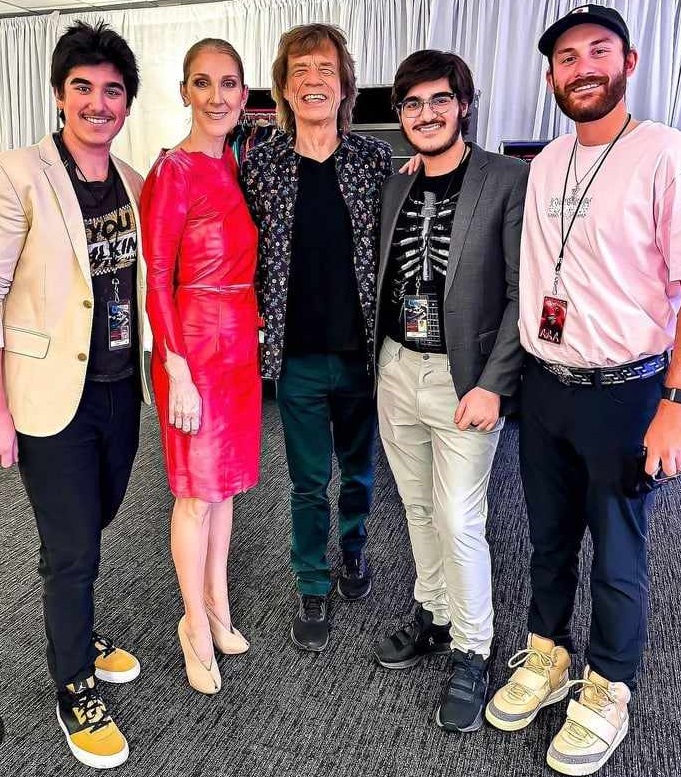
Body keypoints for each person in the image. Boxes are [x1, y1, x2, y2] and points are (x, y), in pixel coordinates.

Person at [485, 6, 681, 774]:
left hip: (626, 393)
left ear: (628, 62)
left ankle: (608, 684)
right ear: (550, 76)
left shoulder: (671, 156)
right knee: (547, 537)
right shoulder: (547, 161)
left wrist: (677, 405)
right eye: (565, 57)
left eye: (597, 51)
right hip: (545, 385)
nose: (581, 66)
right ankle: (548, 654)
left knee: (617, 548)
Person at [0, 21, 148, 769]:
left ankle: (75, 627)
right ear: (59, 95)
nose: (97, 102)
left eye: (112, 90)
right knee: (71, 547)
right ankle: (74, 685)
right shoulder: (18, 172)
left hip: (121, 387)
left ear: (127, 102)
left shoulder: (134, 182)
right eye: (82, 87)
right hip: (50, 391)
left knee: (98, 518)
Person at [370, 50, 527, 733]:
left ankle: (473, 646)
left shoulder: (507, 178)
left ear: (464, 105)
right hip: (396, 366)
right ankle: (433, 613)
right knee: (414, 505)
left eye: (440, 100)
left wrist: (495, 384)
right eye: (412, 103)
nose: (426, 114)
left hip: (465, 379)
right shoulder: (396, 184)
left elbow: (523, 292)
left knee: (460, 518)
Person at [244, 23, 392, 652]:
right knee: (307, 481)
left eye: (325, 70)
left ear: (344, 87)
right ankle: (311, 580)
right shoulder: (262, 167)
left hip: (361, 355)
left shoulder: (373, 161)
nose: (312, 81)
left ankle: (354, 549)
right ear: (284, 88)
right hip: (297, 357)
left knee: (358, 472)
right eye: (299, 71)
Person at [140, 39, 260, 694]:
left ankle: (217, 606)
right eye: (203, 82)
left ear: (244, 93)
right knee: (194, 494)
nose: (217, 96)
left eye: (229, 83)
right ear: (184, 90)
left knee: (226, 488)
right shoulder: (174, 169)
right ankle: (192, 623)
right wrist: (177, 367)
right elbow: (157, 276)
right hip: (193, 347)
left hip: (237, 345)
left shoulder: (236, 162)